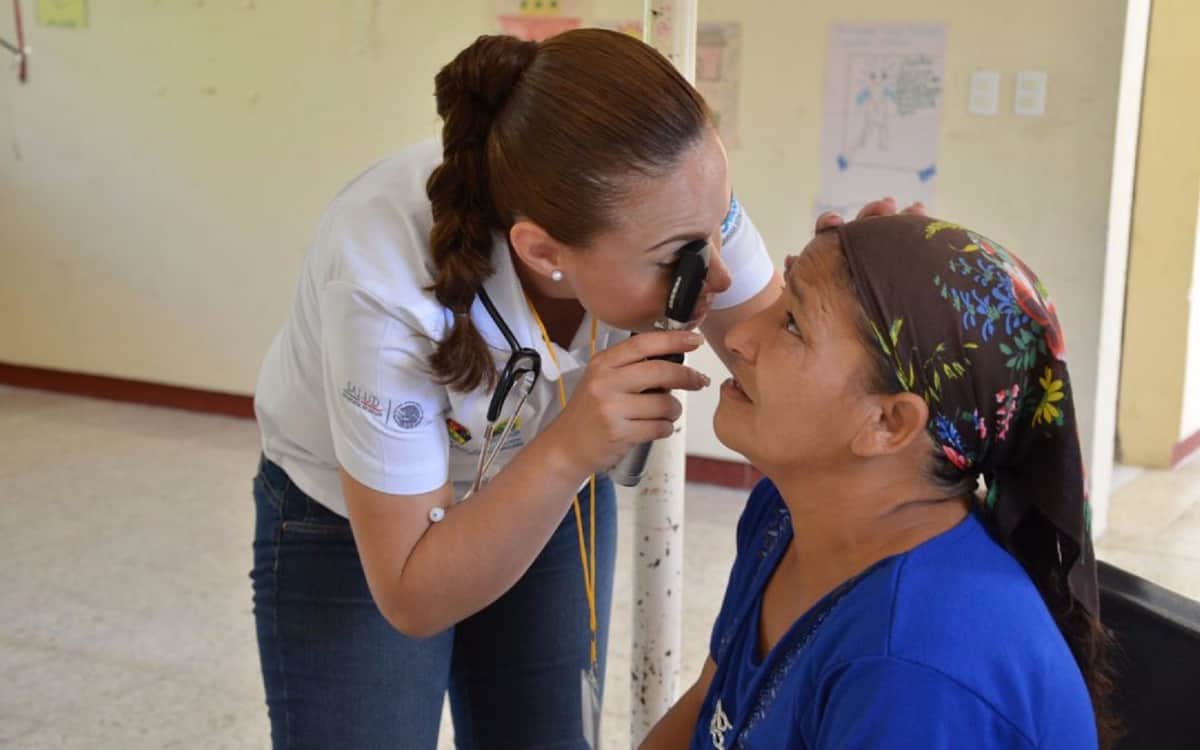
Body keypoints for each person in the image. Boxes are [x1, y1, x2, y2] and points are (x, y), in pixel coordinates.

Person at [249, 28, 920, 748]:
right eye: (683, 258)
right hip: (355, 517)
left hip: (553, 468)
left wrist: (872, 307)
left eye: (722, 221)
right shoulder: (382, 282)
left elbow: (781, 358)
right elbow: (413, 594)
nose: (721, 279)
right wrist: (568, 448)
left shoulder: (677, 204)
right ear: (543, 250)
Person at [641, 214, 1118, 749]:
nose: (742, 336)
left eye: (794, 323)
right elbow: (710, 704)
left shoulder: (913, 670)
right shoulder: (788, 511)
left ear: (888, 423)